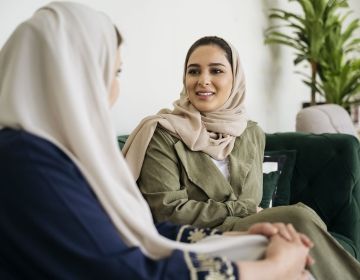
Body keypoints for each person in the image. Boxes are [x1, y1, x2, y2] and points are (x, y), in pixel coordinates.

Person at [0, 2, 316, 280]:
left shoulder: (55, 154)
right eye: (114, 71)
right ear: (70, 76)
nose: (113, 91)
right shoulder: (26, 161)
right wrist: (270, 271)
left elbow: (135, 228)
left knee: (275, 242)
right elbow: (128, 269)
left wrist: (236, 234)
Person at [123, 36, 360, 279]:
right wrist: (244, 209)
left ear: (235, 79)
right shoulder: (162, 133)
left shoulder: (250, 132)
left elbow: (251, 198)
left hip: (251, 228)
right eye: (194, 71)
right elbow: (168, 211)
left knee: (296, 225)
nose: (203, 80)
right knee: (296, 217)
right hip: (201, 237)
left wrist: (249, 212)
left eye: (216, 70)